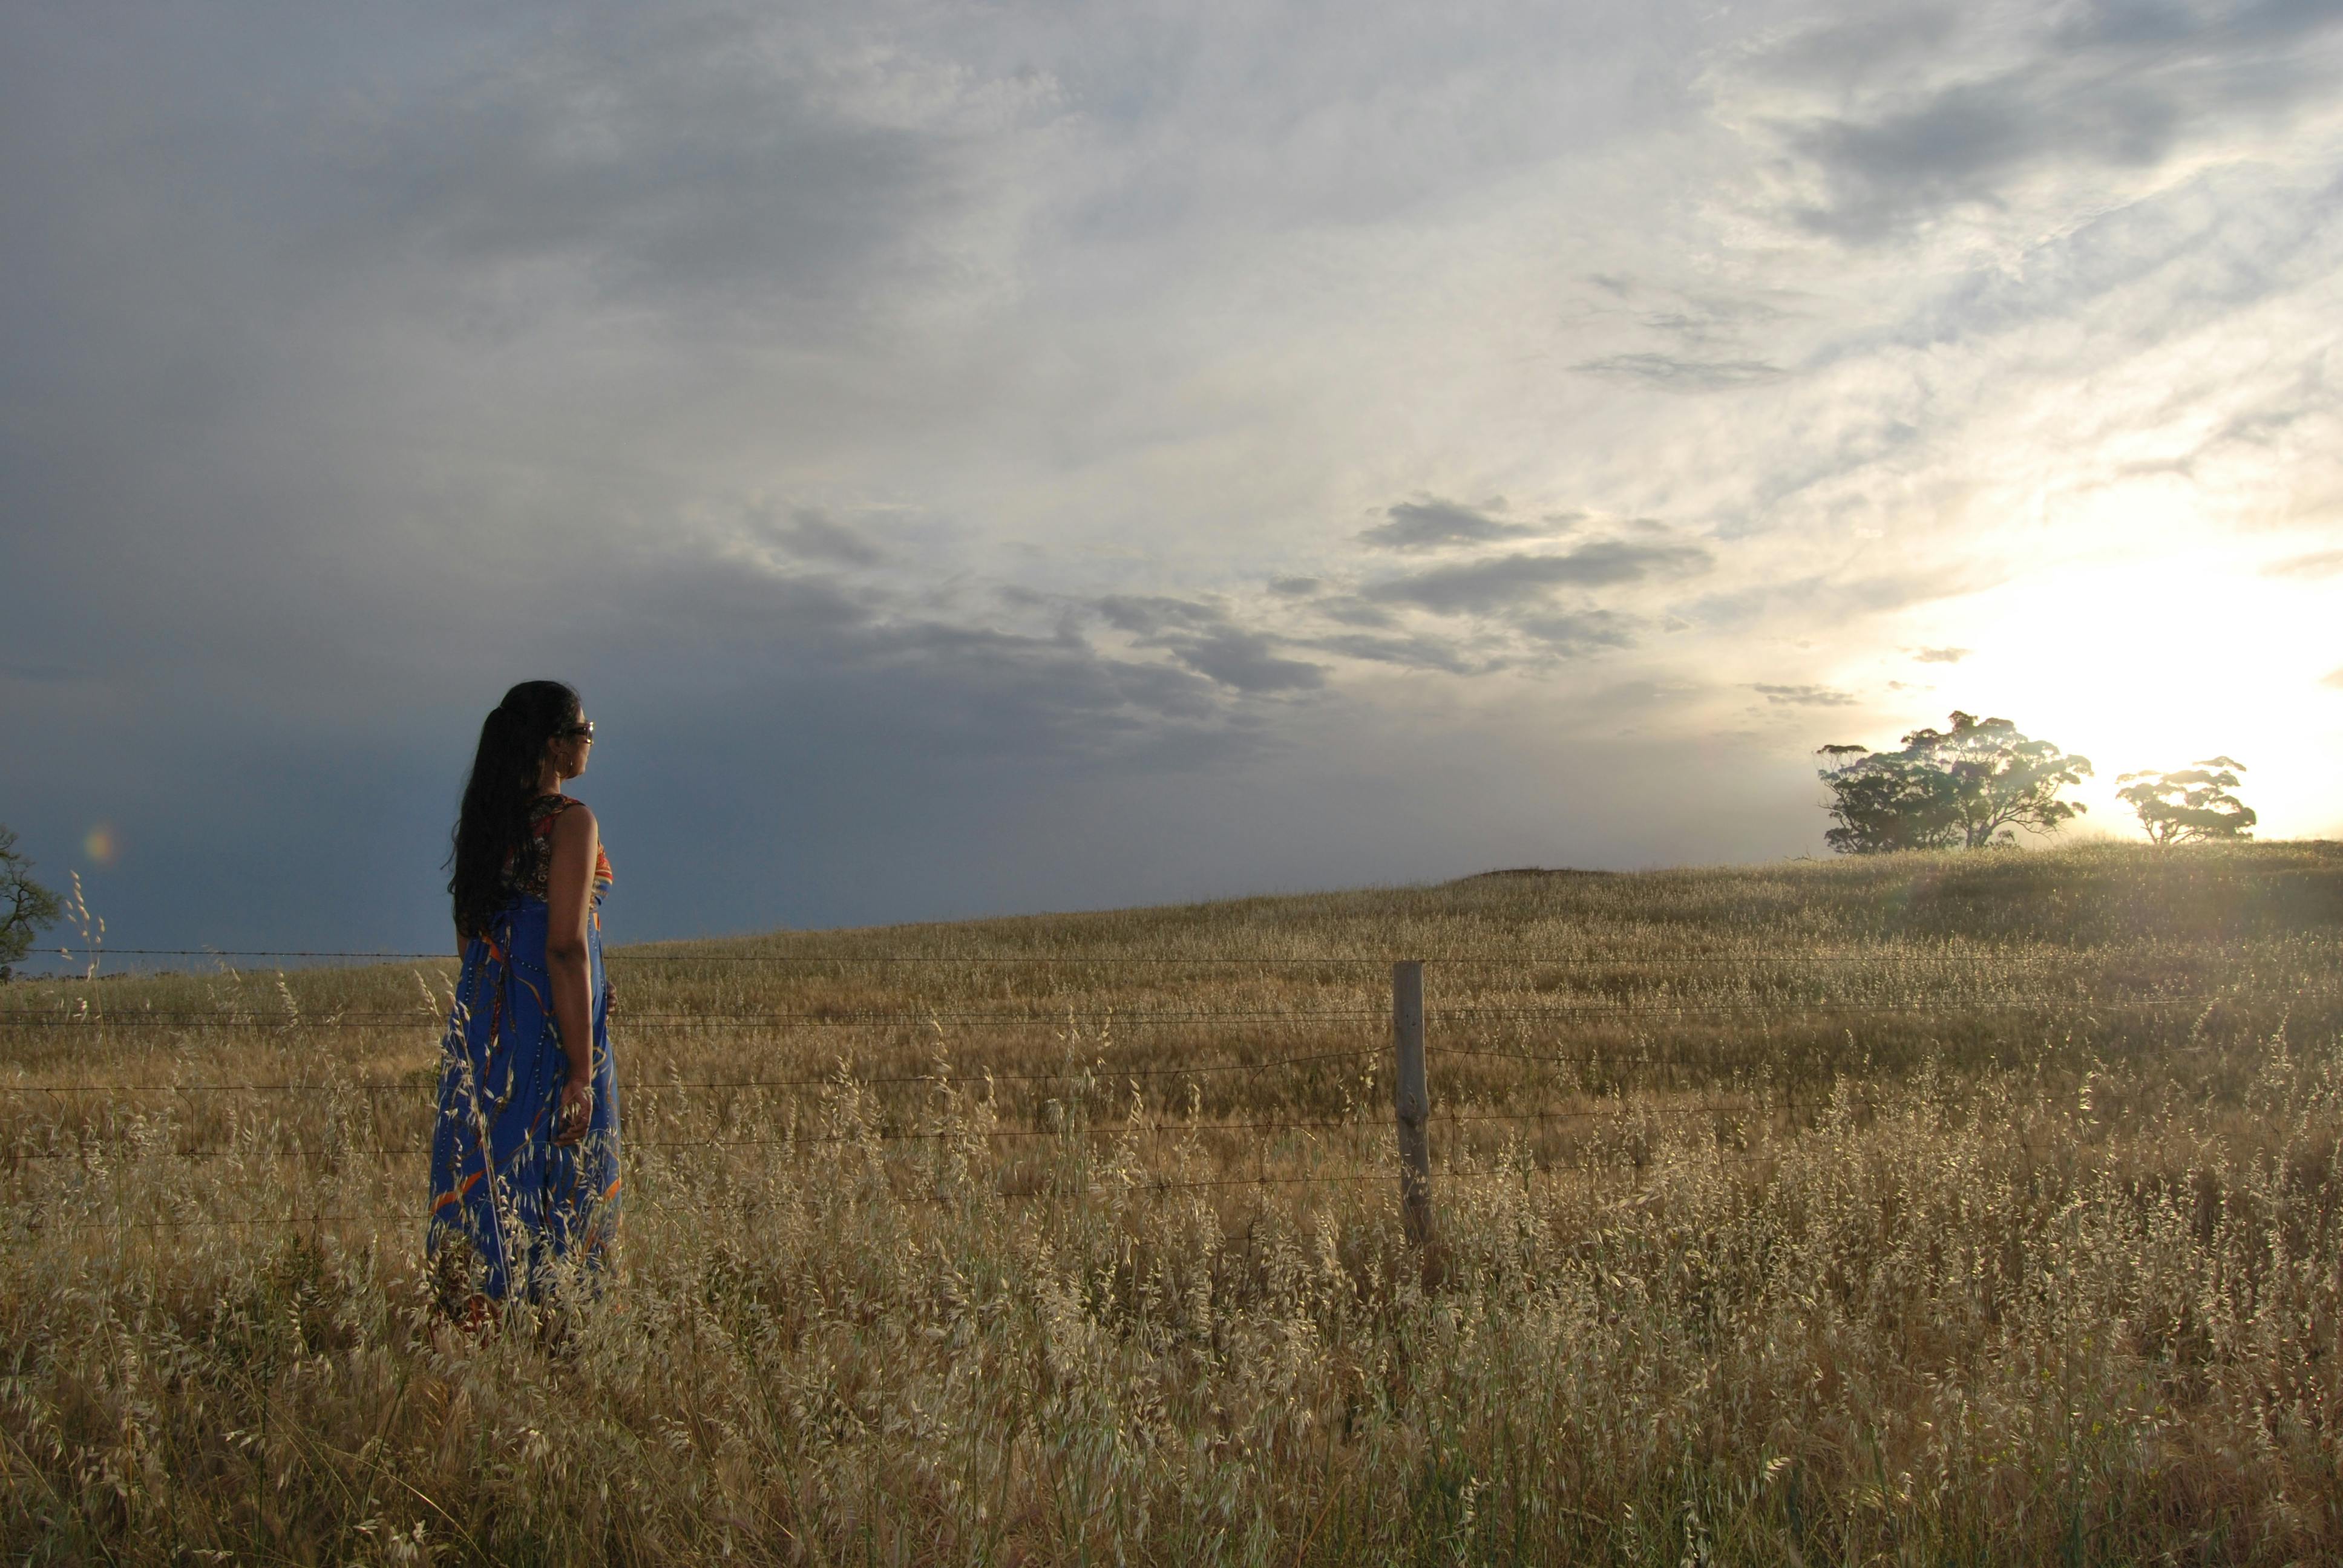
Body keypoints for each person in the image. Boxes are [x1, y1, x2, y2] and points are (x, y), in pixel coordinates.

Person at [428, 680, 620, 1322]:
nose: (589, 744)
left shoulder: (488, 823)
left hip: (488, 1030)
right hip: (551, 1031)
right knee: (565, 1173)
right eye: (585, 733)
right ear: (555, 746)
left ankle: (482, 1318)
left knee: (491, 1167)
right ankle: (560, 1323)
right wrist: (576, 1065)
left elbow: (472, 943)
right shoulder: (571, 822)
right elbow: (565, 945)